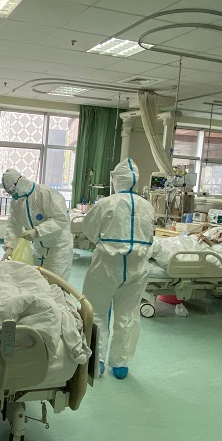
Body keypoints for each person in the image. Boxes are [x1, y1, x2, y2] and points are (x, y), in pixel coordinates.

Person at [81, 159, 156, 380]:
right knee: (128, 315)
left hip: (106, 264)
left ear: (116, 180)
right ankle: (121, 364)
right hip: (137, 267)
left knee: (97, 312)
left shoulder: (106, 203)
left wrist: (105, 242)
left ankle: (97, 362)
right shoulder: (147, 206)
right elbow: (150, 235)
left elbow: (89, 229)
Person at [0, 168, 73, 280]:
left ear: (19, 183)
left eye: (11, 191)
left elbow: (61, 219)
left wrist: (37, 231)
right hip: (38, 249)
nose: (12, 195)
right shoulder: (16, 201)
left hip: (58, 248)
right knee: (38, 282)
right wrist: (9, 247)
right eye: (9, 192)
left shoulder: (45, 193)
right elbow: (13, 225)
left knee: (56, 283)